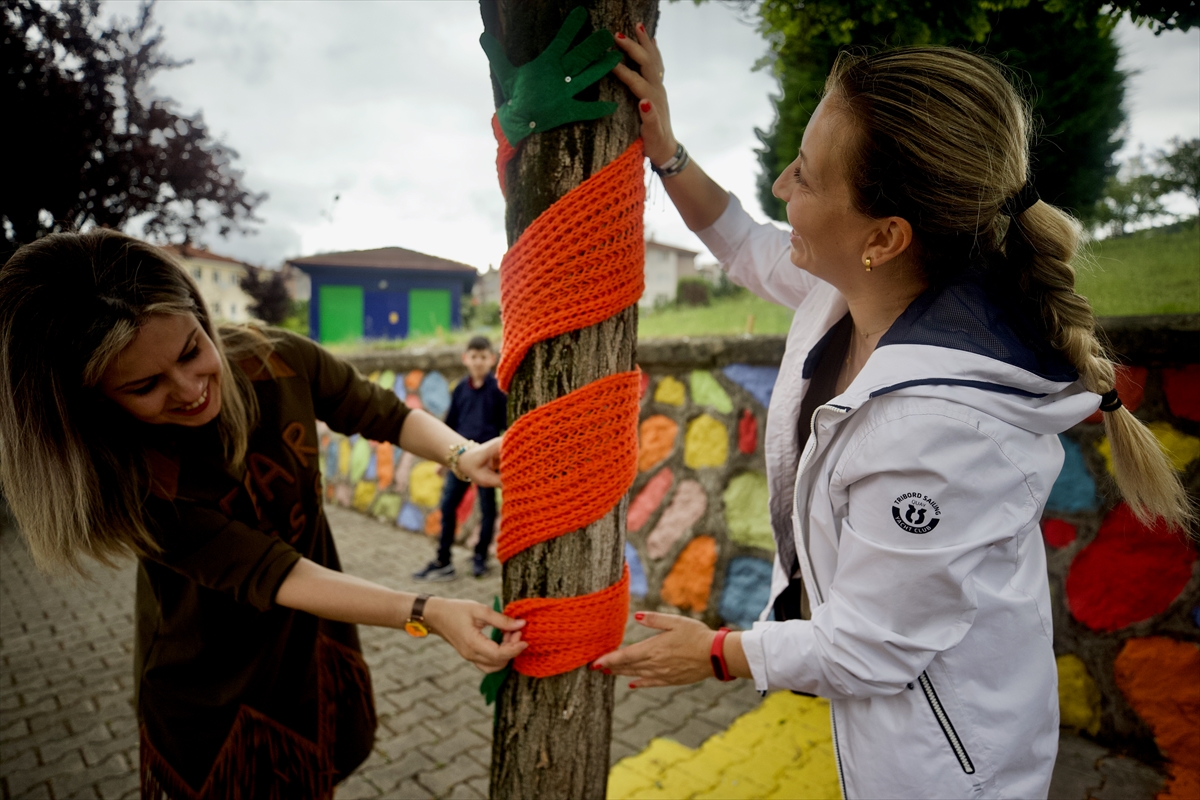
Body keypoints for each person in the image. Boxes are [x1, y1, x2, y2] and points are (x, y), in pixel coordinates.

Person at [594, 29, 1192, 800]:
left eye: (805, 177)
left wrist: (718, 653)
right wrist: (665, 145)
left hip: (949, 772)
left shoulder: (944, 430)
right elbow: (741, 238)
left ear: (883, 237)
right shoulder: (847, 291)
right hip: (888, 740)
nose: (782, 185)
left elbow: (870, 649)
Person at [0, 231, 528, 799]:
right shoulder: (130, 480)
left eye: (190, 350)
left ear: (199, 315)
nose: (190, 389)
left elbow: (380, 412)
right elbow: (274, 572)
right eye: (145, 385)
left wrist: (463, 454)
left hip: (310, 649)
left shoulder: (273, 359)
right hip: (213, 689)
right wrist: (427, 611)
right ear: (96, 400)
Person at [414, 335, 507, 581]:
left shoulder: (498, 391)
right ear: (466, 359)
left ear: (492, 359)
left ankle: (479, 558)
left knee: (488, 510)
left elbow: (506, 426)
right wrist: (443, 460)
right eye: (474, 357)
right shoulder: (459, 390)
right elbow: (450, 426)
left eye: (483, 357)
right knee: (447, 506)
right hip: (462, 459)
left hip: (488, 461)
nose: (478, 362)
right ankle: (443, 560)